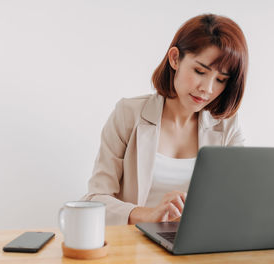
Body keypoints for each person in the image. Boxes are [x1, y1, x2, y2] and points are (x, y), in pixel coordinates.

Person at [82, 13, 248, 225]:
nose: (207, 89)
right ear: (175, 58)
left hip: (197, 250)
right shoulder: (128, 114)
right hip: (135, 247)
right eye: (199, 71)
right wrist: (148, 214)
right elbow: (95, 200)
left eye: (221, 80)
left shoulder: (228, 126)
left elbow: (239, 201)